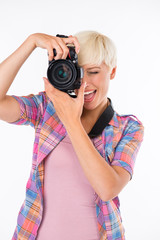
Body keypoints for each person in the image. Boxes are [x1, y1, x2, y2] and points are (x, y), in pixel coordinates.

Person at [0, 31, 144, 240]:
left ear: (112, 71)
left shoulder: (128, 128)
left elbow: (108, 189)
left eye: (94, 71)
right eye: (77, 72)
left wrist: (71, 120)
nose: (83, 83)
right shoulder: (47, 109)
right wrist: (31, 42)